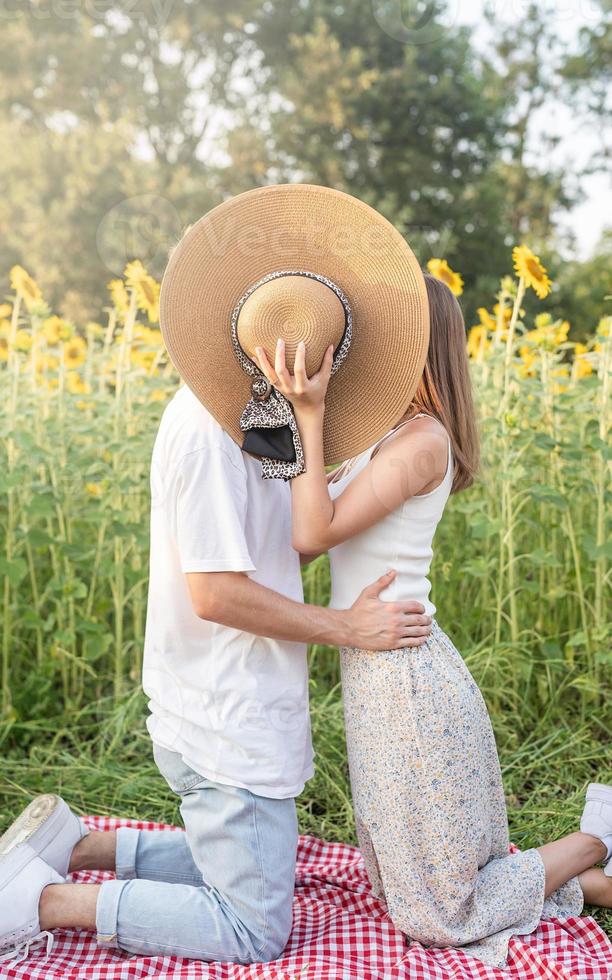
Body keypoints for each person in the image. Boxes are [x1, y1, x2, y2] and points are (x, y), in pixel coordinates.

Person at [0, 183, 435, 965]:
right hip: (222, 706)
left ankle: (80, 847)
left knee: (262, 864)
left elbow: (287, 545)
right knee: (254, 930)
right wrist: (348, 627)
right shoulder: (205, 429)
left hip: (242, 693)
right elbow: (215, 592)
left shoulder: (261, 416)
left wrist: (341, 472)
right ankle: (43, 898)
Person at [252, 272, 612, 968]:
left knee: (435, 917)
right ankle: (589, 884)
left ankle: (594, 837)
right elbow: (294, 493)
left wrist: (310, 412)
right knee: (400, 884)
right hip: (379, 668)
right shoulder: (385, 434)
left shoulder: (422, 442)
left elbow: (310, 534)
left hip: (407, 681)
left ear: (419, 346)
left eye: (383, 338)